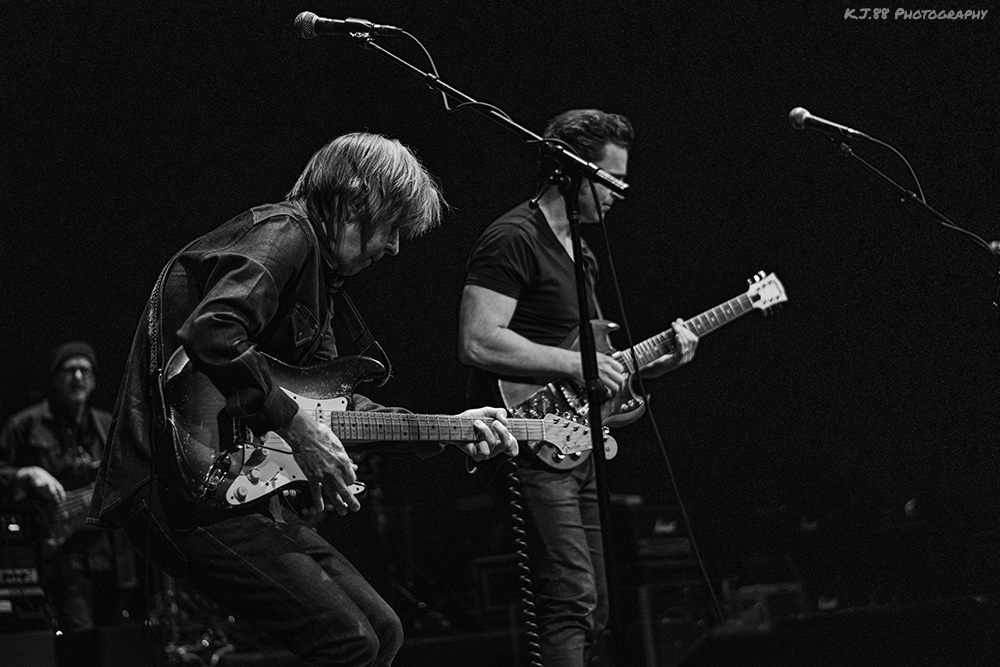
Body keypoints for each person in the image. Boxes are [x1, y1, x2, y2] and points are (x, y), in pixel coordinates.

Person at [87, 132, 518, 667]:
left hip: (227, 489)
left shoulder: (321, 282)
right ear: (358, 198)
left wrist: (451, 429)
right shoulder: (285, 232)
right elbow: (215, 331)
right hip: (174, 485)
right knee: (347, 642)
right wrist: (297, 427)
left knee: (382, 630)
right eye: (395, 226)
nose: (395, 247)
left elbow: (336, 410)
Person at [457, 109, 699, 666]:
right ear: (569, 172)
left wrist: (660, 360)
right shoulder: (514, 238)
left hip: (580, 442)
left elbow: (598, 360)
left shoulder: (583, 253)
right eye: (611, 179)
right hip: (531, 439)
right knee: (569, 598)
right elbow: (477, 341)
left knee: (597, 609)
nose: (620, 193)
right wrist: (573, 369)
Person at [0, 340, 135, 632]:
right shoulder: (25, 425)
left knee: (114, 641)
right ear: (55, 378)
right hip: (59, 559)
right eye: (69, 370)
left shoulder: (107, 425)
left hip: (109, 557)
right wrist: (26, 472)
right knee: (80, 639)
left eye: (84, 370)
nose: (77, 377)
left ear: (94, 380)